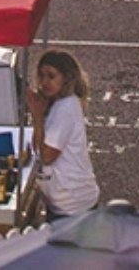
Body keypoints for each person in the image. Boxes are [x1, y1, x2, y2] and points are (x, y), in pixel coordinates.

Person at [26, 49, 99, 220]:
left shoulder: (65, 109)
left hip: (73, 204)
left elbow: (47, 156)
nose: (44, 82)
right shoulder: (57, 104)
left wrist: (37, 117)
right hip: (64, 201)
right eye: (41, 75)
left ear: (66, 78)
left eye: (51, 76)